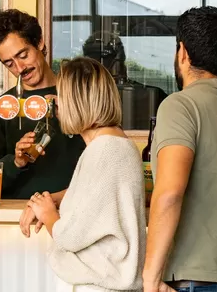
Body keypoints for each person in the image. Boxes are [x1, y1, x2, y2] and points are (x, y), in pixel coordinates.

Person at [142, 6, 217, 292]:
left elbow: (170, 193)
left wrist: (149, 277)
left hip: (192, 279)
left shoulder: (180, 105)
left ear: (182, 52)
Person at [26, 56, 146, 292]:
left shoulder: (104, 150)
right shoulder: (117, 145)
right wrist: (57, 199)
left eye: (62, 97)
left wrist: (47, 213)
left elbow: (70, 236)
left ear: (79, 101)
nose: (56, 104)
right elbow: (97, 203)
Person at [0, 9, 86, 215]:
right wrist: (16, 162)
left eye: (23, 55)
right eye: (9, 63)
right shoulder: (2, 107)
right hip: (18, 218)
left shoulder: (81, 95)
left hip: (75, 213)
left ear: (40, 43)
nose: (19, 68)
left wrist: (74, 117)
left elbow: (106, 152)